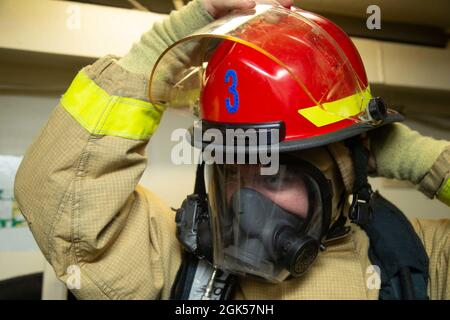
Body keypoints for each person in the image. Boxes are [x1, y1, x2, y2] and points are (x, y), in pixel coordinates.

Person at [14, 0, 449, 300]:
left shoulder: (417, 262)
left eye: (275, 174)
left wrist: (417, 160)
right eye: (232, 172)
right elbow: (56, 200)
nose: (243, 205)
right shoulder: (178, 267)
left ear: (346, 169)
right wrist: (169, 42)